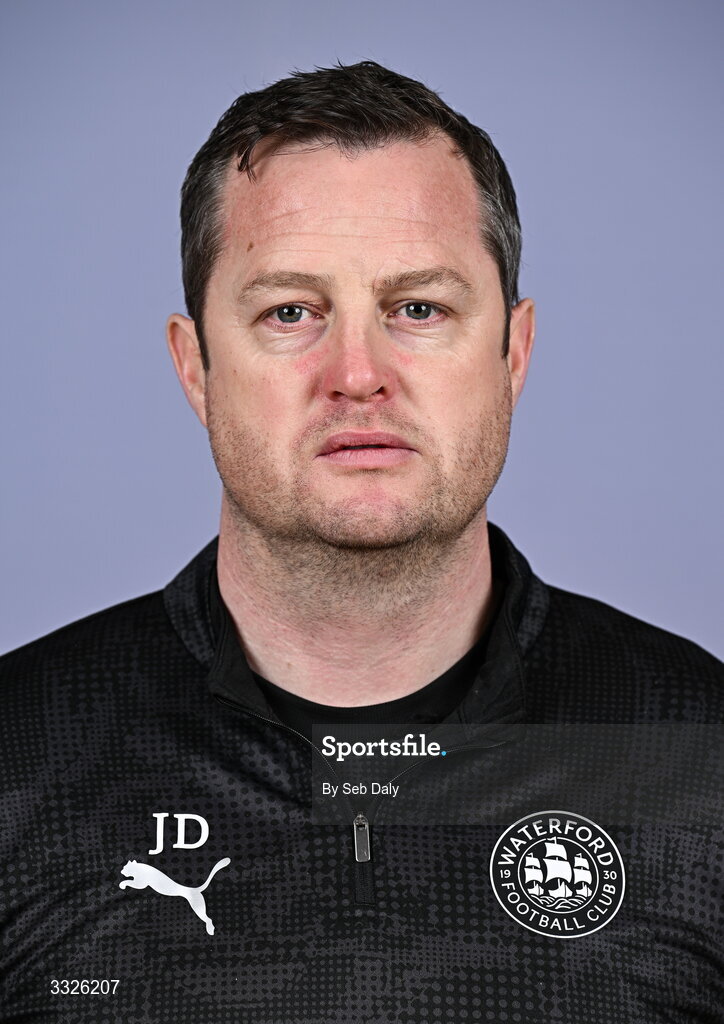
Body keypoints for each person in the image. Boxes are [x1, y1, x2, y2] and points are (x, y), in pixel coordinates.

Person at [0, 61, 721, 1024]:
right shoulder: (18, 753)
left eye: (418, 308)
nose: (357, 374)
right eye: (290, 311)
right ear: (195, 366)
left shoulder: (699, 750)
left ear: (513, 354)